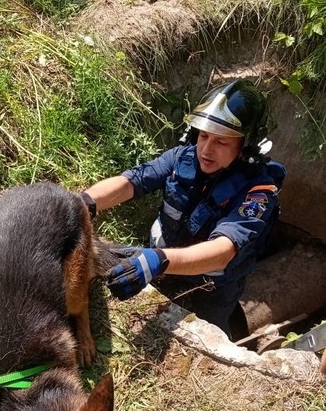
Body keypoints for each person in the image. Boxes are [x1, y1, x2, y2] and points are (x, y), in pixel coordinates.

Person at [81, 79, 287, 339]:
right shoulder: (182, 157)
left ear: (246, 146)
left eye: (221, 142)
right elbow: (132, 181)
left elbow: (222, 251)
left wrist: (159, 260)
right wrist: (83, 202)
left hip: (210, 287)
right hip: (161, 263)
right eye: (203, 135)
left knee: (209, 336)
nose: (206, 150)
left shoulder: (258, 192)